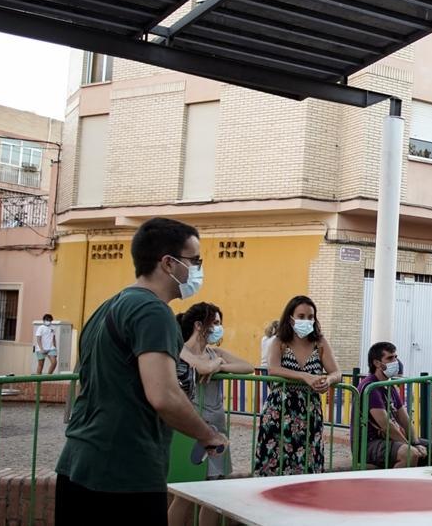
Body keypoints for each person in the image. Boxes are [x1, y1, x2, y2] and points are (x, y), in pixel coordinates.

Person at [55, 217, 228, 525]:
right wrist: (207, 435)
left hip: (78, 463)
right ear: (169, 263)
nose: (198, 269)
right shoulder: (153, 312)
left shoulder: (108, 306)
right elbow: (163, 395)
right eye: (195, 260)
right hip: (124, 472)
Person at [168, 302, 253, 526]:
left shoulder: (214, 352)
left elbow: (247, 366)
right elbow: (203, 368)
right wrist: (215, 363)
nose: (218, 327)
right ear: (199, 325)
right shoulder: (180, 349)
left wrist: (221, 365)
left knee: (215, 493)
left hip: (217, 428)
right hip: (191, 427)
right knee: (185, 493)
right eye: (214, 323)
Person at [253, 295, 342, 476]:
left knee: (308, 462)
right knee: (274, 462)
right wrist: (305, 377)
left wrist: (328, 380)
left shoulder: (320, 343)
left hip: (309, 411)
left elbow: (336, 372)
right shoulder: (279, 341)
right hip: (280, 409)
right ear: (291, 317)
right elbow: (273, 369)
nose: (307, 320)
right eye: (301, 316)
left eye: (310, 317)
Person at [355, 342, 432, 468]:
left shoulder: (389, 386)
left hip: (390, 440)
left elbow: (405, 419)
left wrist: (415, 442)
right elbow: (386, 425)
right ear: (377, 363)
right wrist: (410, 446)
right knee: (409, 454)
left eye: (395, 357)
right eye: (390, 358)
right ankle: (395, 487)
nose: (395, 361)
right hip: (369, 443)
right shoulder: (370, 387)